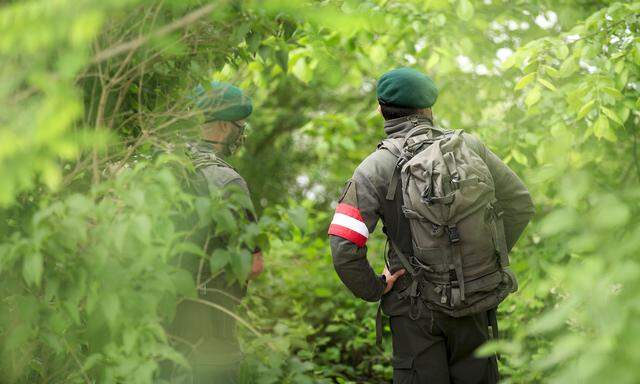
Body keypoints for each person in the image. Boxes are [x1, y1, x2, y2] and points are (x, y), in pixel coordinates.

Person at [328, 68, 534, 383]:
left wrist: (375, 287)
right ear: (428, 109)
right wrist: (482, 257)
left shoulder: (373, 168)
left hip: (413, 309)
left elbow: (344, 244)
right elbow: (519, 201)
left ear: (381, 110)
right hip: (473, 298)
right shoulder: (468, 148)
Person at [170, 81, 264, 383]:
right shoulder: (226, 181)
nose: (241, 133)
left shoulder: (157, 163)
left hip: (151, 333)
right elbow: (253, 265)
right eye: (240, 126)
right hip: (209, 338)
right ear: (224, 126)